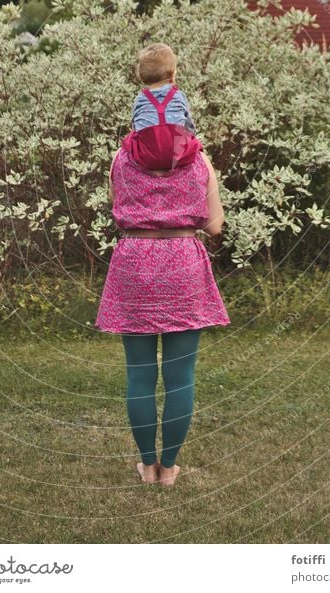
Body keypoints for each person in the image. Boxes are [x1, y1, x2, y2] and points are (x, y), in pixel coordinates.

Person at [94, 141, 230, 487]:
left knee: (139, 375)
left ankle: (146, 465)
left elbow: (115, 203)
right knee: (180, 375)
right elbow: (215, 225)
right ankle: (168, 469)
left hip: (134, 261)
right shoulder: (199, 158)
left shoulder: (121, 156)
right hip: (183, 260)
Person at [120, 43, 203, 171]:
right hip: (178, 154)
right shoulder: (179, 96)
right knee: (194, 141)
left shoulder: (140, 99)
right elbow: (189, 126)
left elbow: (136, 125)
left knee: (129, 139)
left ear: (141, 76)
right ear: (173, 74)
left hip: (146, 157)